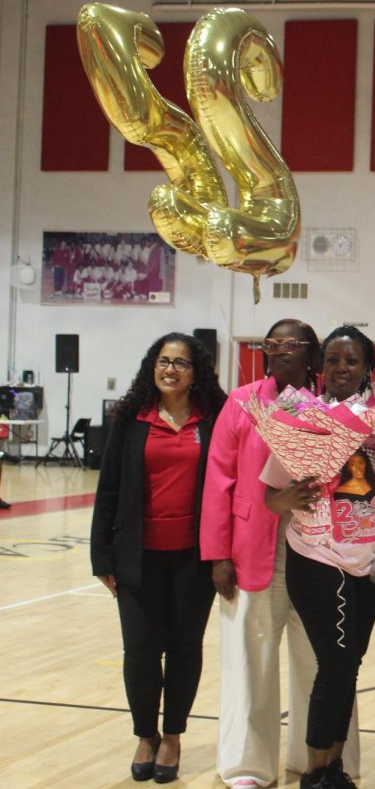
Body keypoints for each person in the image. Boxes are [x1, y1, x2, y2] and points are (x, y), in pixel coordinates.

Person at [200, 319, 335, 789]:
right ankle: (246, 766)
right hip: (254, 548)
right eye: (272, 343)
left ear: (312, 356)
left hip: (319, 550)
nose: (279, 350)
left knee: (317, 660)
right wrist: (218, 554)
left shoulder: (330, 406)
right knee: (250, 657)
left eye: (291, 344)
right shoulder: (242, 402)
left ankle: (311, 755)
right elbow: (219, 479)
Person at [91, 333, 227, 783]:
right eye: (164, 361)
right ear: (153, 367)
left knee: (185, 648)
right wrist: (102, 557)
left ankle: (173, 735)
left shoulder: (214, 419)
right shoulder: (131, 420)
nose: (171, 369)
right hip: (137, 558)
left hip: (194, 558)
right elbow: (108, 488)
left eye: (181, 363)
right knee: (141, 652)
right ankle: (145, 734)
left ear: (196, 372)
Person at [263, 326, 375, 789]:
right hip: (318, 560)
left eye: (351, 361)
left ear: (366, 369)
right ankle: (315, 772)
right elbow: (271, 498)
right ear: (321, 367)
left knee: (349, 665)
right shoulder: (302, 416)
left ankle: (334, 766)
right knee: (335, 667)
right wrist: (287, 498)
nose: (341, 369)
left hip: (370, 562)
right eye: (334, 360)